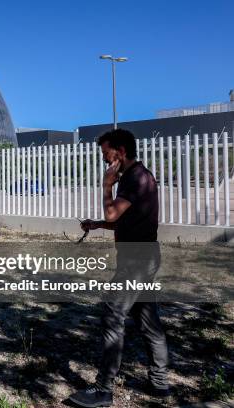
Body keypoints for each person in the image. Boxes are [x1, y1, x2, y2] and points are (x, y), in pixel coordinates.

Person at [68, 129, 169, 407]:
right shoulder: (139, 177)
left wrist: (106, 185)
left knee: (113, 313)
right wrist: (98, 224)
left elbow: (112, 211)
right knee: (148, 318)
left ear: (120, 151)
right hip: (143, 257)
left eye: (105, 153)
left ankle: (103, 391)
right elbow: (121, 219)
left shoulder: (134, 178)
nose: (103, 159)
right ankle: (159, 382)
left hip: (136, 260)